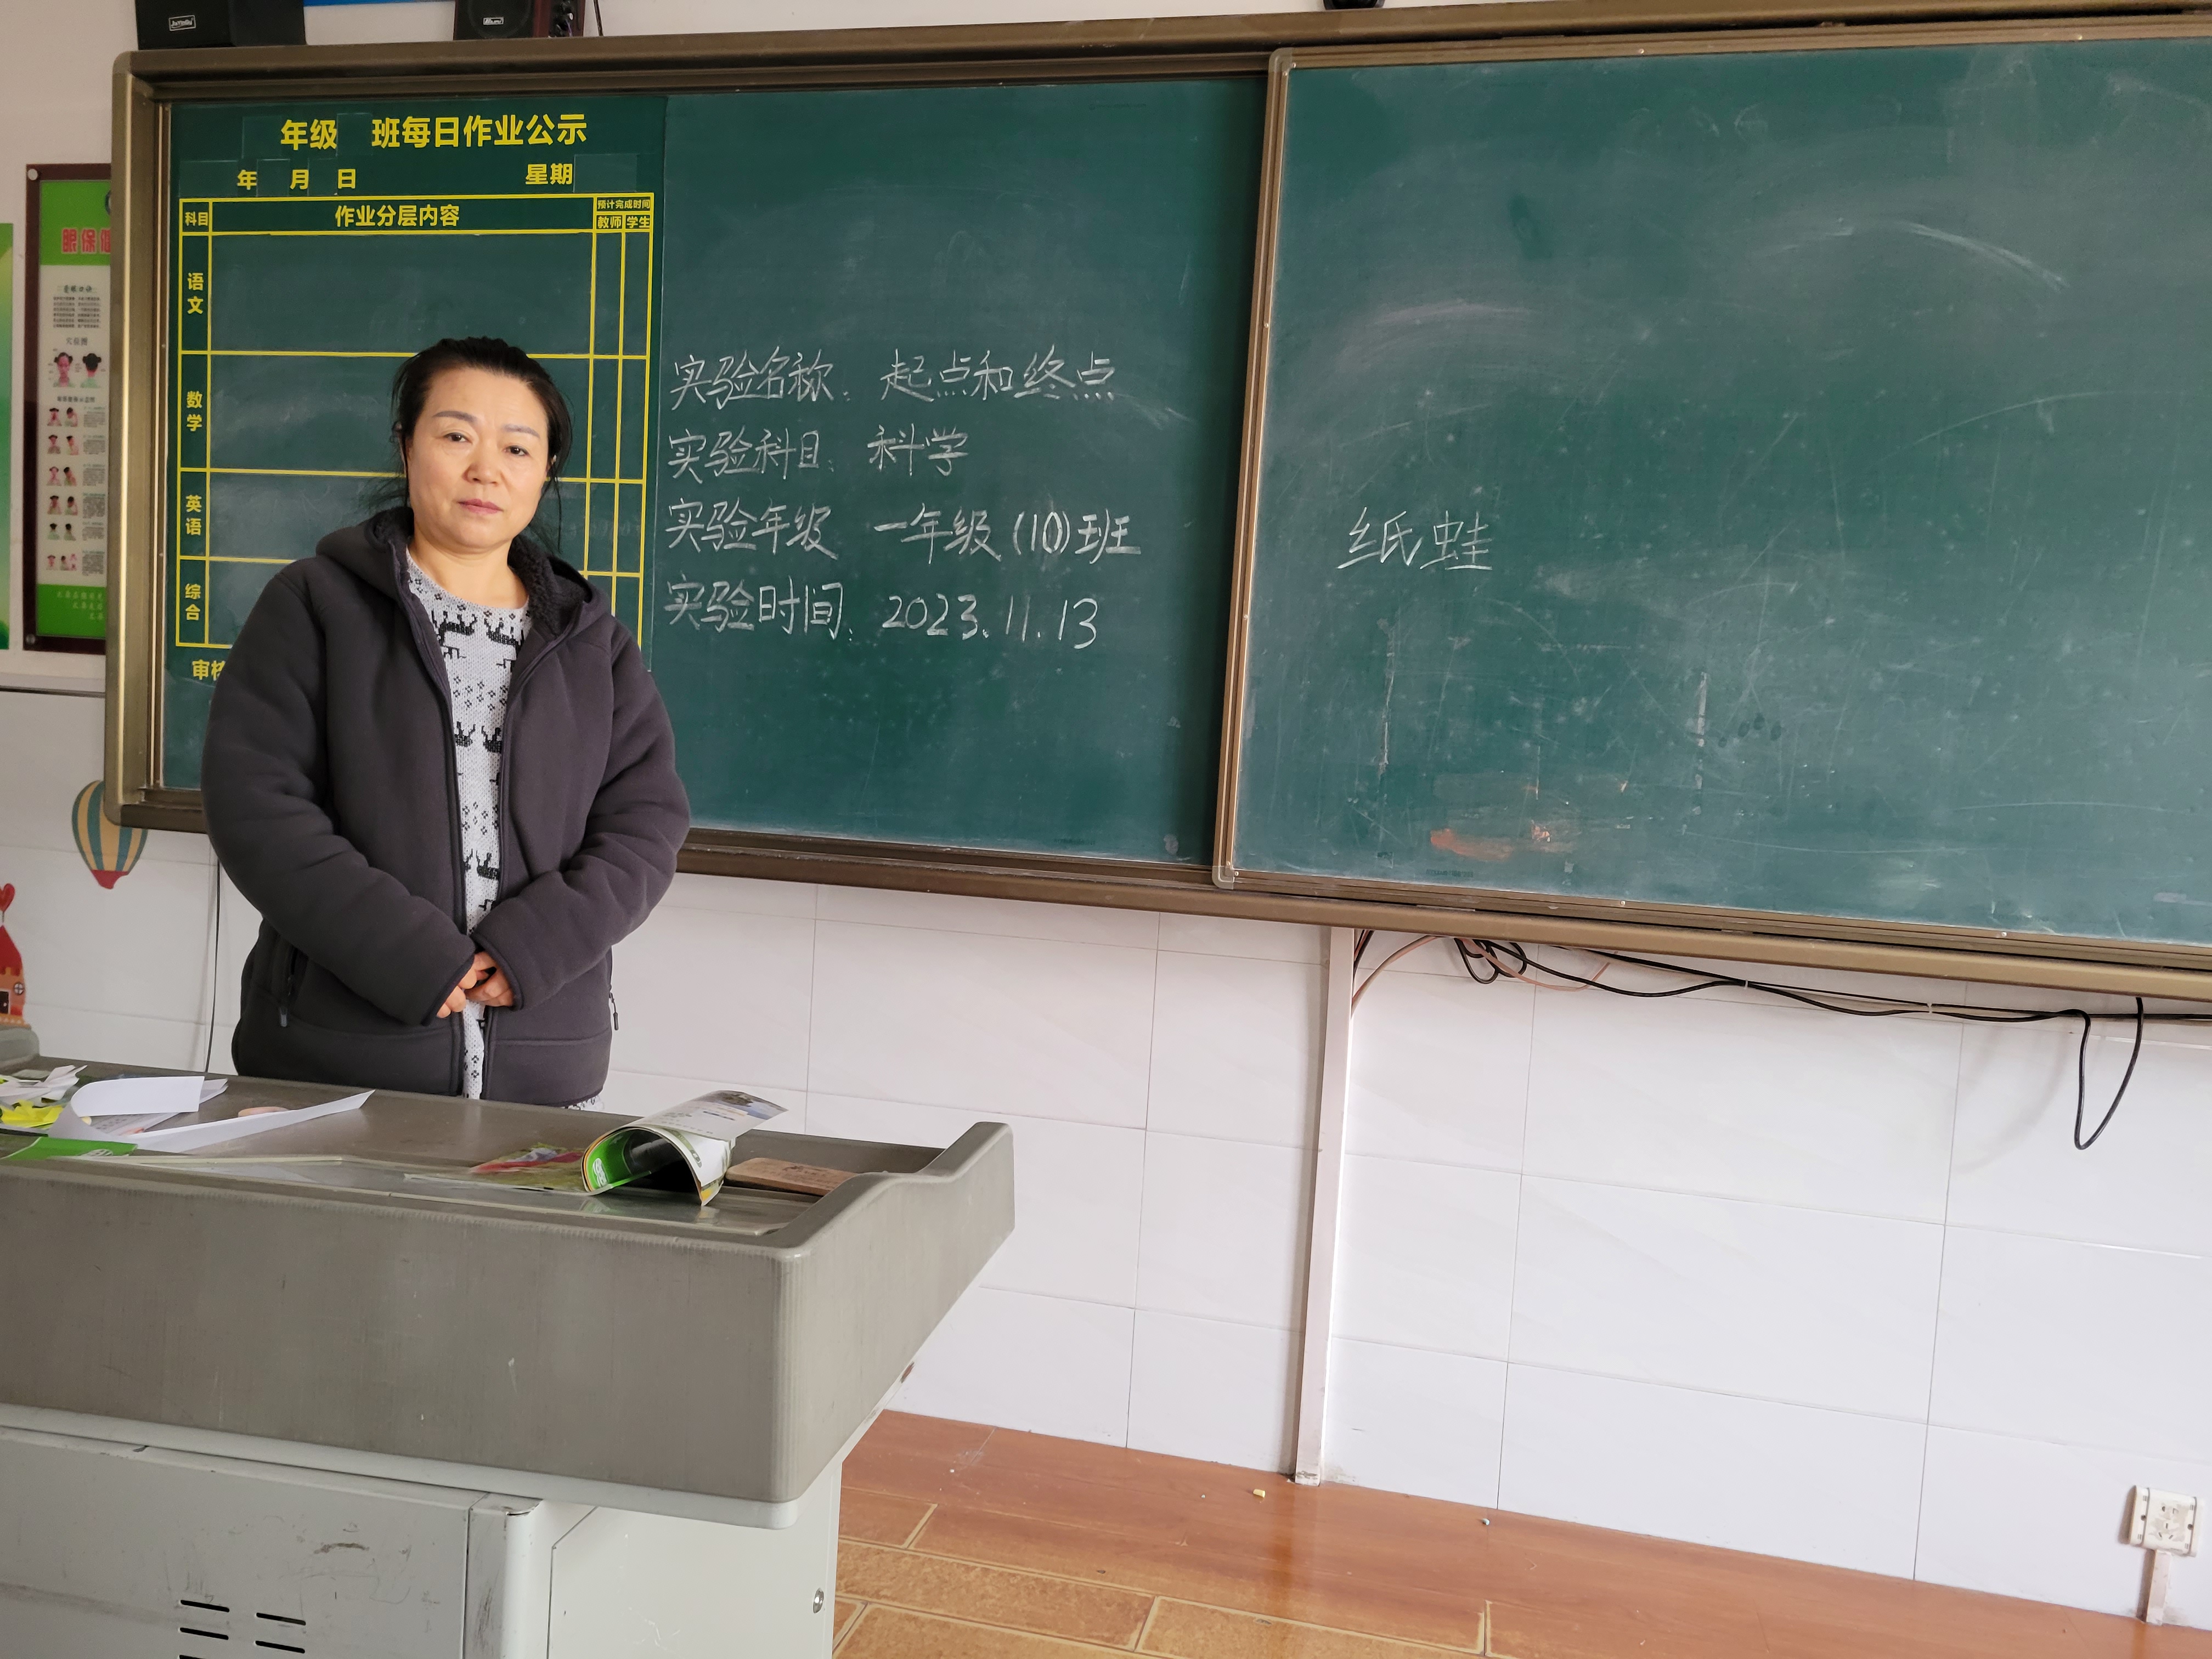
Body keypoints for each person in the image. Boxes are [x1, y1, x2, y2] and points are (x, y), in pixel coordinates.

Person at [202, 336, 690, 1105]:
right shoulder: (314, 606)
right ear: (407, 447)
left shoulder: (591, 641)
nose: (485, 469)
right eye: (457, 436)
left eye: (517, 448)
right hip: (337, 1066)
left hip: (544, 1075)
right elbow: (257, 807)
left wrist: (538, 946)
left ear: (545, 471)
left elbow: (646, 824)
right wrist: (405, 954)